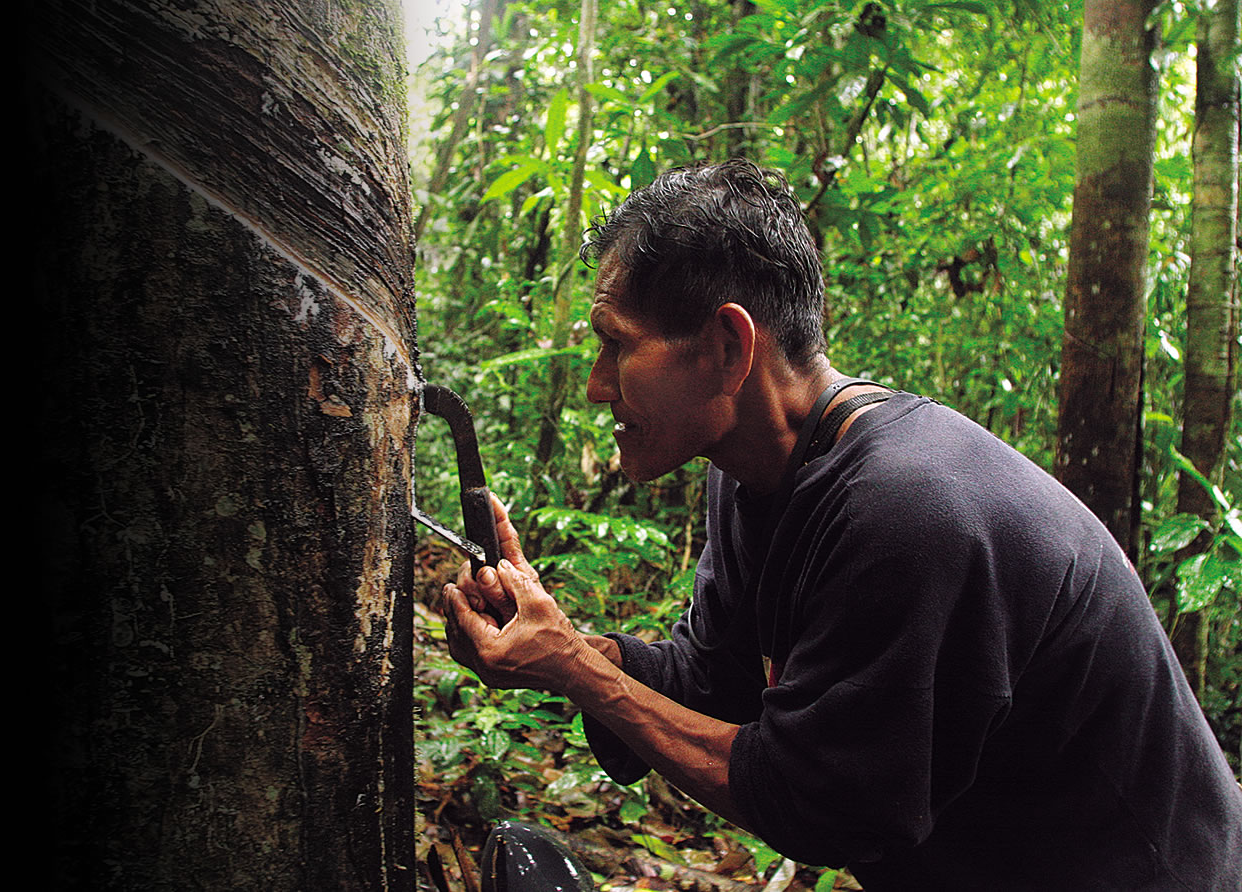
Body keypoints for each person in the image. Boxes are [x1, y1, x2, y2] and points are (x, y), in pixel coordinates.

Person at [442, 160, 1242, 890]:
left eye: (616, 345)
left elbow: (816, 802)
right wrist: (560, 643)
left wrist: (580, 672)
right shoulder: (752, 474)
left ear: (727, 348)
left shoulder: (907, 510)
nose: (593, 386)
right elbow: (712, 684)